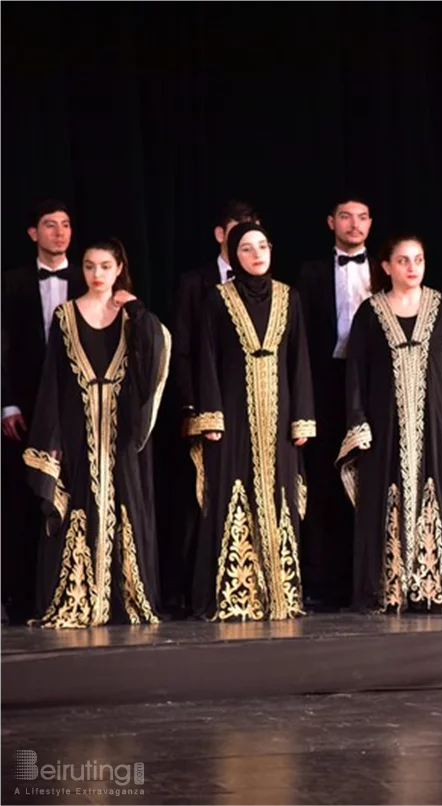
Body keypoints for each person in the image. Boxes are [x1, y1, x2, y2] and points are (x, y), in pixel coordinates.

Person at [23, 238, 170, 627]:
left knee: (125, 499)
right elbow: (52, 382)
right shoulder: (65, 315)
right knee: (80, 500)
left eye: (105, 266)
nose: (97, 274)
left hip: (121, 429)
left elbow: (154, 359)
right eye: (89, 266)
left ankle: (124, 597)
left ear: (119, 267)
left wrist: (136, 310)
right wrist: (51, 441)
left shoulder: (133, 317)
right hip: (77, 425)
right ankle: (81, 597)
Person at [338, 234, 442, 612]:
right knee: (386, 494)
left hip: (437, 421)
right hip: (385, 425)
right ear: (386, 266)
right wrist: (358, 420)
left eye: (418, 259)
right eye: (403, 260)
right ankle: (390, 588)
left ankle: (432, 589)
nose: (412, 267)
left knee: (436, 493)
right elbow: (357, 374)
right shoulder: (370, 313)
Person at [191, 222, 315, 621]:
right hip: (232, 412)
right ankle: (236, 595)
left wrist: (302, 420)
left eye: (263, 245)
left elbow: (299, 360)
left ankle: (281, 593)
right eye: (246, 248)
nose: (257, 254)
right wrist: (211, 415)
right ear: (233, 255)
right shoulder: (217, 298)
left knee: (279, 492)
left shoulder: (288, 297)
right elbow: (205, 356)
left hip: (278, 413)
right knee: (233, 490)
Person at [169, 199, 259, 613]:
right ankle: (193, 588)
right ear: (222, 235)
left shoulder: (271, 287)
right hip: (208, 405)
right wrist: (194, 405)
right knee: (200, 498)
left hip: (255, 403)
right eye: (239, 232)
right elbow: (187, 349)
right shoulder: (196, 282)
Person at [0, 200, 85, 622]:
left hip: (78, 406)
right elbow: (2, 350)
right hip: (27, 407)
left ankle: (70, 589)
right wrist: (7, 403)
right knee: (24, 499)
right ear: (34, 233)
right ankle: (19, 595)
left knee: (73, 497)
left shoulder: (89, 277)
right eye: (50, 226)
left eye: (66, 225)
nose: (59, 232)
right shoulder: (12, 283)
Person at [296, 194, 375, 609]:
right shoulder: (309, 273)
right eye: (346, 217)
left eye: (362, 218)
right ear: (331, 223)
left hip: (373, 384)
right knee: (325, 479)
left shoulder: (384, 270)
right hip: (325, 381)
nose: (354, 225)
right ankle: (322, 582)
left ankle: (368, 577)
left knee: (369, 478)